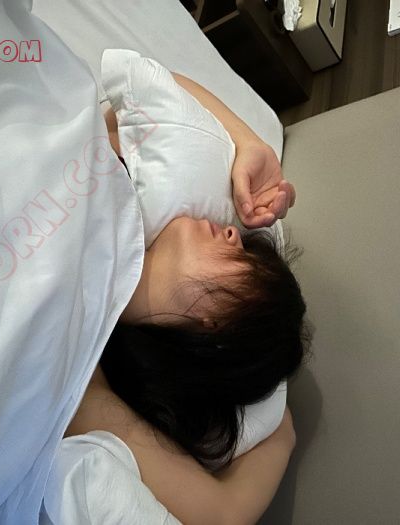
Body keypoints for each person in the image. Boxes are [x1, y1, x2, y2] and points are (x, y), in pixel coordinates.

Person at [63, 73, 312, 524]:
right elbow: (152, 85)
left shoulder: (80, 375)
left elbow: (223, 513)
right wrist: (251, 144)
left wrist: (279, 427)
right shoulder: (121, 174)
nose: (235, 233)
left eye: (246, 267)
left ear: (215, 330)